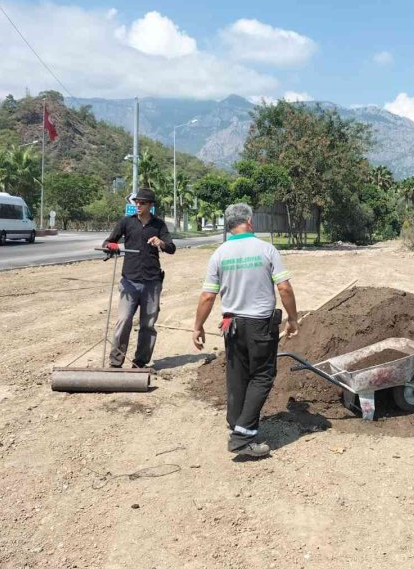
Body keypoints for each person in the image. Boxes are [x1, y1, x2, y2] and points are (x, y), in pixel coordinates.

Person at [192, 203, 299, 458]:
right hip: (259, 324)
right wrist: (293, 318)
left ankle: (236, 421)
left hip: (232, 325)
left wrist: (197, 326)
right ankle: (243, 435)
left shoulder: (219, 253)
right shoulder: (266, 249)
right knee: (262, 376)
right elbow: (284, 288)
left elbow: (208, 296)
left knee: (238, 374)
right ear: (249, 221)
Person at [102, 187, 176, 368]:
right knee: (124, 320)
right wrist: (111, 247)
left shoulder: (159, 225)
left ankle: (140, 363)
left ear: (150, 205)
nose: (138, 205)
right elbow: (107, 242)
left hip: (152, 282)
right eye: (137, 202)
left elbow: (172, 248)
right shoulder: (126, 222)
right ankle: (116, 361)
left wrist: (161, 243)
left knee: (148, 324)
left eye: (142, 203)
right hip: (130, 281)